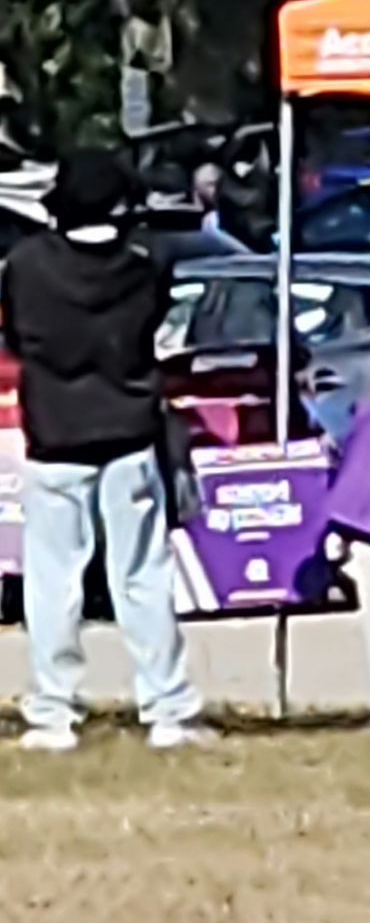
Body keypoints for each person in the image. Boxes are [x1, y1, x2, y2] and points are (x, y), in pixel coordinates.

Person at [3, 150, 205, 752]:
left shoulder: (25, 265)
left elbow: (16, 336)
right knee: (142, 576)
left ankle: (53, 710)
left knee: (52, 578)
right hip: (129, 431)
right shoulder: (143, 266)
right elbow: (153, 331)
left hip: (55, 435)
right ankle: (168, 707)